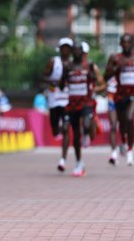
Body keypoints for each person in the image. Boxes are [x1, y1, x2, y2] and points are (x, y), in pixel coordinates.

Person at [104, 33, 134, 166]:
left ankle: (130, 151)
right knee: (122, 124)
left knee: (130, 118)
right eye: (124, 42)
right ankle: (123, 143)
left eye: (129, 42)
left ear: (132, 44)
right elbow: (105, 76)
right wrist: (114, 69)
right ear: (120, 44)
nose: (126, 45)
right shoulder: (115, 58)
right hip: (119, 95)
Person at [60, 42, 105, 176]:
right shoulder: (68, 67)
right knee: (74, 134)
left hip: (86, 102)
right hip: (72, 103)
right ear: (72, 52)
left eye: (80, 51)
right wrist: (64, 78)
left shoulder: (90, 66)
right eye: (75, 51)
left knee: (86, 123)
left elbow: (101, 83)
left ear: (83, 53)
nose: (77, 53)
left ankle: (87, 134)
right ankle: (79, 162)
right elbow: (62, 85)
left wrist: (92, 87)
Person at [42, 37, 72, 171]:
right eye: (63, 47)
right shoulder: (54, 62)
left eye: (68, 47)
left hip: (67, 100)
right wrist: (52, 82)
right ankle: (56, 130)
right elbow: (43, 76)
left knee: (66, 129)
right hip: (54, 100)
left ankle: (63, 159)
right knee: (55, 128)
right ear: (60, 49)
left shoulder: (73, 65)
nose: (65, 50)